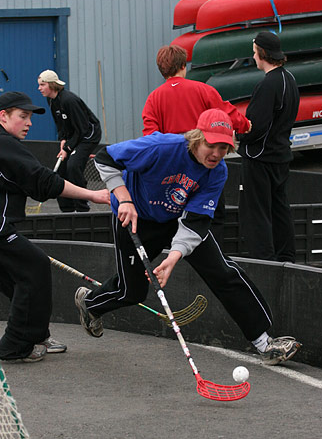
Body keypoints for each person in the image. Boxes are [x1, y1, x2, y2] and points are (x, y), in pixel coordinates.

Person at [74, 108, 301, 366]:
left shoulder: (217, 172)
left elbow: (195, 221)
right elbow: (105, 158)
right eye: (211, 145)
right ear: (197, 138)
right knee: (131, 291)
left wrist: (173, 256)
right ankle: (91, 304)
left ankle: (264, 342)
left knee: (222, 271)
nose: (216, 154)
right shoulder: (161, 146)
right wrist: (123, 198)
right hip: (137, 217)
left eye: (224, 148)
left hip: (178, 219)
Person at [0, 91, 110, 363]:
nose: (29, 123)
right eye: (22, 116)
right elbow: (45, 181)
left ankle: (35, 335)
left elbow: (34, 185)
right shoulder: (5, 144)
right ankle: (14, 347)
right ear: (3, 117)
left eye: (30, 117)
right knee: (34, 268)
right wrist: (94, 195)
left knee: (17, 280)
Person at [141, 45, 252, 247]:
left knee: (174, 213)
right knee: (213, 215)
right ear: (184, 65)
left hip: (173, 169)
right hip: (205, 165)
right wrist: (246, 125)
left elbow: (150, 137)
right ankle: (212, 256)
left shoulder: (153, 99)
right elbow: (227, 114)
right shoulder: (203, 90)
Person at [236, 31, 300, 262]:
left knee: (257, 213)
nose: (253, 57)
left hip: (260, 159)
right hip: (281, 155)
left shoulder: (267, 85)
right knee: (280, 209)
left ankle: (264, 262)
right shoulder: (290, 79)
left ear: (262, 53)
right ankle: (286, 258)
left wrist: (237, 136)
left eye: (254, 53)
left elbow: (256, 126)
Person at [37, 69, 102, 213]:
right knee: (61, 170)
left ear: (52, 85)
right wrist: (63, 140)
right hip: (75, 135)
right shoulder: (51, 100)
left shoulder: (69, 100)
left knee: (73, 166)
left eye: (42, 85)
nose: (39, 88)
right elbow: (60, 124)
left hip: (88, 136)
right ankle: (67, 209)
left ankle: (82, 207)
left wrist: (67, 148)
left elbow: (82, 129)